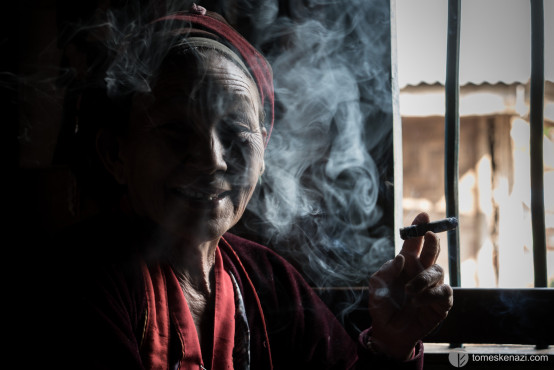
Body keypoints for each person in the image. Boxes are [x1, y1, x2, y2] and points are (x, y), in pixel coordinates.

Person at [49, 4, 453, 369]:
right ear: (116, 153)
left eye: (236, 133)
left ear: (263, 153)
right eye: (174, 130)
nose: (212, 159)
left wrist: (391, 342)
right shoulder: (80, 281)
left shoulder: (269, 281)